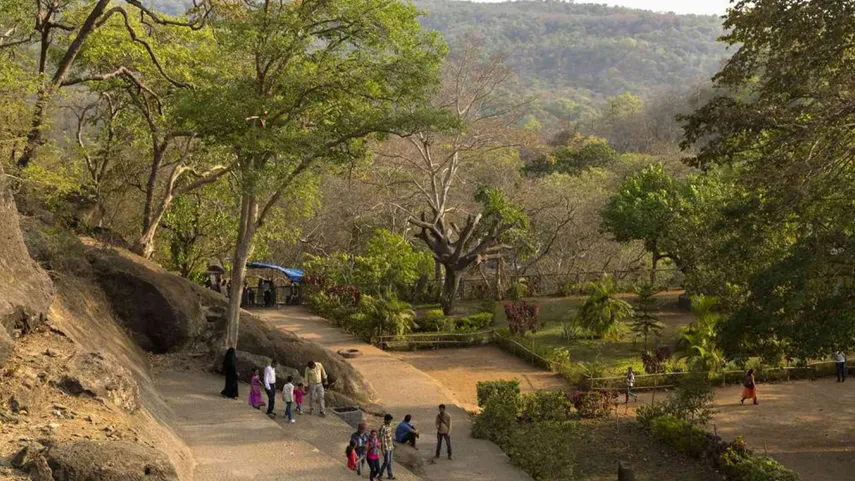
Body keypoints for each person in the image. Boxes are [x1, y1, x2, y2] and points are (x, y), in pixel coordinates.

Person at [379, 414, 396, 480]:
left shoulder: (390, 425)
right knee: (386, 461)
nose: (390, 421)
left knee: (389, 462)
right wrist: (382, 449)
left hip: (390, 445)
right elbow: (381, 438)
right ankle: (380, 474)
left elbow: (390, 435)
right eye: (389, 420)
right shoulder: (383, 427)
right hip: (386, 446)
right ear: (386, 420)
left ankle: (390, 475)